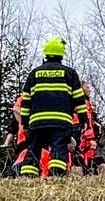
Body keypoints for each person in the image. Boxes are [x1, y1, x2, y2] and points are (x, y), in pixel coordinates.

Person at [19, 38, 88, 177]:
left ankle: (27, 177)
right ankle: (55, 177)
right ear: (61, 55)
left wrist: (25, 124)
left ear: (45, 55)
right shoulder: (70, 73)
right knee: (58, 149)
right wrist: (83, 119)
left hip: (37, 122)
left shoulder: (34, 73)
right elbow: (79, 100)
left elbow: (25, 101)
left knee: (33, 149)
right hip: (60, 122)